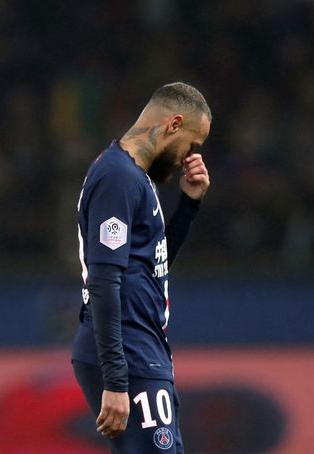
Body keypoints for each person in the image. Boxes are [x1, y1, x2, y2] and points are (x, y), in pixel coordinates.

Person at [71, 81, 212, 454]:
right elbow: (104, 281)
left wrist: (188, 206)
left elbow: (153, 265)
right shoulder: (119, 178)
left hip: (140, 347)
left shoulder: (134, 176)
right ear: (174, 124)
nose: (189, 156)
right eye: (192, 144)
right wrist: (116, 381)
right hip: (130, 352)